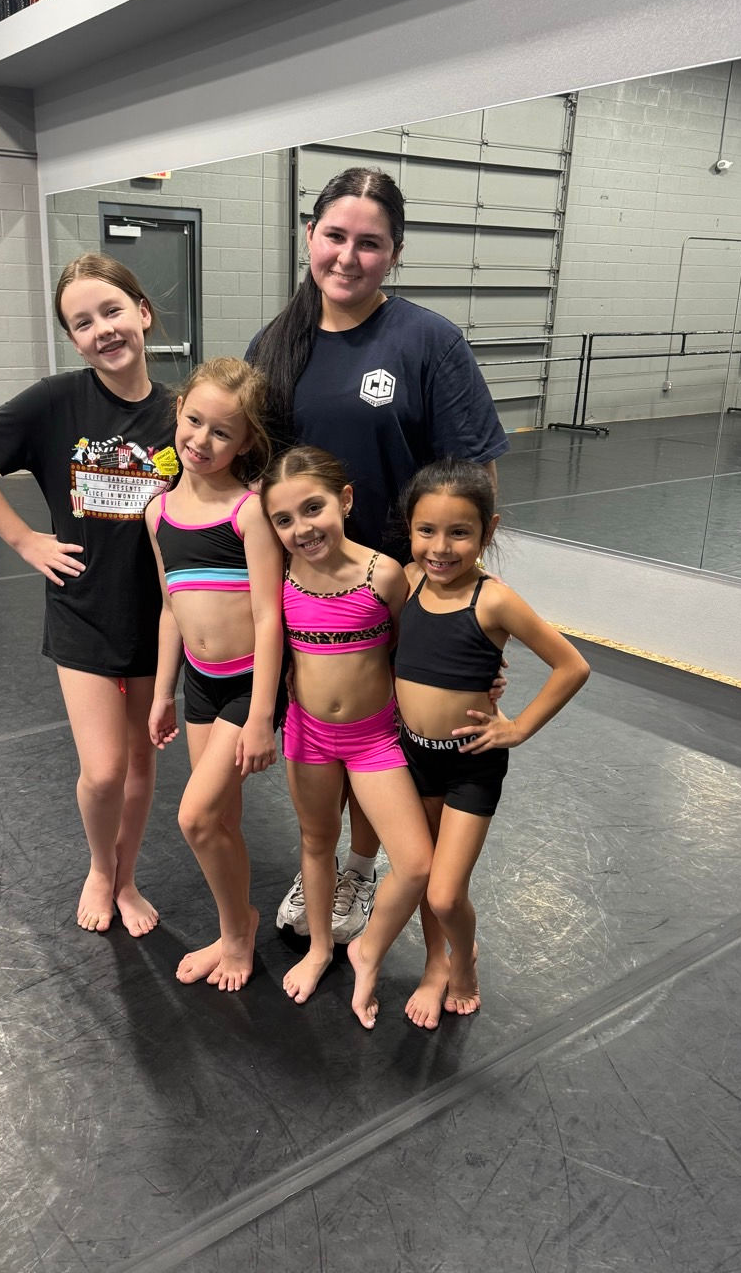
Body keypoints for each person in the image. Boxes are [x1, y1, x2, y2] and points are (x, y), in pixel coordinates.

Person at [247, 165, 509, 941]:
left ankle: (360, 869)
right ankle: (321, 861)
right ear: (309, 235)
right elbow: (252, 474)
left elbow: (473, 482)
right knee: (320, 728)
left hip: (401, 590)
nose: (347, 256)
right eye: (334, 236)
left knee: (380, 737)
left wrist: (459, 608)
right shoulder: (276, 344)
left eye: (369, 243)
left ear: (395, 252)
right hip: (310, 592)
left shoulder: (429, 342)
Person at [0, 253, 180, 938]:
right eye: (83, 322)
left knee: (140, 764)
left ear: (143, 313)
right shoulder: (56, 402)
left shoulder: (179, 413)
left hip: (157, 617)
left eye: (112, 311)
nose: (103, 329)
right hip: (83, 609)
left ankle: (126, 876)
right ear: (73, 340)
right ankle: (100, 868)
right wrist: (24, 540)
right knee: (103, 772)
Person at [362, 456, 590, 1027]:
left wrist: (518, 727)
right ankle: (434, 964)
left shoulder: (494, 600)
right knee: (423, 877)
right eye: (427, 530)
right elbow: (402, 648)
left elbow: (572, 666)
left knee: (446, 892)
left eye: (459, 533)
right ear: (409, 529)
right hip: (413, 755)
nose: (441, 548)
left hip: (470, 763)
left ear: (488, 531)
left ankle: (463, 958)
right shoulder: (407, 580)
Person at [260, 447, 434, 1027]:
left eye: (313, 508)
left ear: (346, 500)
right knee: (316, 841)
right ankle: (318, 948)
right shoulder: (280, 577)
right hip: (308, 736)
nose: (302, 528)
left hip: (375, 737)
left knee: (415, 863)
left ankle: (367, 948)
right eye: (284, 519)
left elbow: (412, 649)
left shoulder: (384, 574)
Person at [145, 357, 285, 992]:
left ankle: (236, 934)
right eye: (195, 421)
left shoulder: (247, 512)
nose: (201, 440)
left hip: (247, 684)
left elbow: (268, 618)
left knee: (196, 818)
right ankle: (238, 922)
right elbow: (170, 608)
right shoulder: (159, 513)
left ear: (246, 442)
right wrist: (162, 693)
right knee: (221, 821)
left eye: (222, 432)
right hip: (199, 684)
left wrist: (261, 715)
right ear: (178, 411)